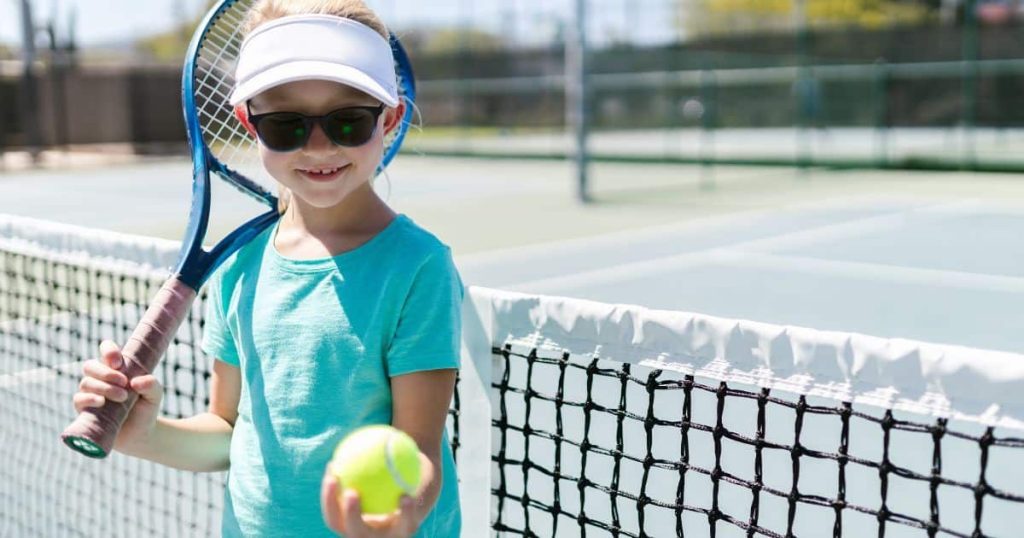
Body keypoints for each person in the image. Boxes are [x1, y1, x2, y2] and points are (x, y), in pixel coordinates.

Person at [71, 1, 462, 536]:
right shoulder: (239, 268)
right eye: (284, 125)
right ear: (249, 123)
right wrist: (144, 433)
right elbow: (227, 431)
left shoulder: (418, 267)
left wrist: (402, 513)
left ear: (389, 118)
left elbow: (418, 452)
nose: (319, 146)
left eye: (348, 120)